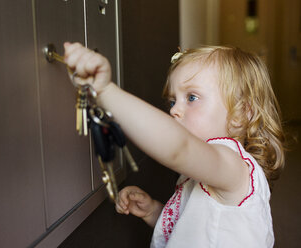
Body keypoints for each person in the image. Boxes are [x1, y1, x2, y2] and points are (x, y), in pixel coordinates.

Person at [64, 42, 285, 247]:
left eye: (191, 98)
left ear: (241, 114)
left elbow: (179, 148)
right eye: (172, 101)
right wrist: (153, 211)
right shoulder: (203, 172)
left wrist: (105, 92)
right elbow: (194, 226)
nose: (173, 110)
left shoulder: (234, 166)